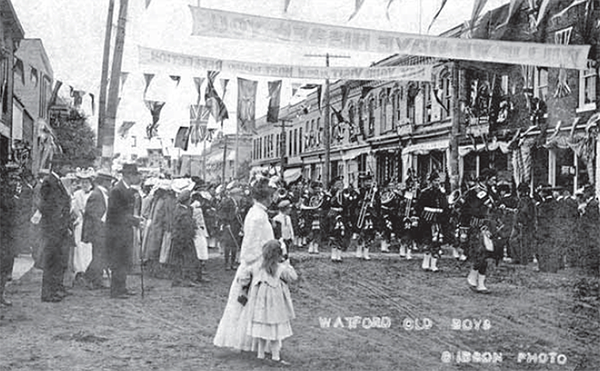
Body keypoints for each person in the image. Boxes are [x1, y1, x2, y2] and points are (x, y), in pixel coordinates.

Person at [213, 176, 275, 351]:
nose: (272, 199)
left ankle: (255, 343)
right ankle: (246, 342)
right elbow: (250, 247)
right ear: (266, 197)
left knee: (254, 307)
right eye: (270, 196)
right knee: (248, 305)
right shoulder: (257, 216)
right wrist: (261, 261)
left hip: (260, 262)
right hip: (256, 265)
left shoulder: (258, 213)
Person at [238, 239, 297, 365]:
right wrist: (287, 261)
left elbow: (243, 277)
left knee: (262, 327)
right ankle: (275, 356)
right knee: (275, 328)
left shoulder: (256, 267)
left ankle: (261, 354)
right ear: (278, 254)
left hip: (260, 305)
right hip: (276, 305)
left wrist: (246, 283)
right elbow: (293, 277)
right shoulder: (281, 268)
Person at [39, 160, 74, 303]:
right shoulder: (49, 182)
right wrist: (56, 222)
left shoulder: (58, 181)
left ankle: (55, 289)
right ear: (58, 166)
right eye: (67, 166)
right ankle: (48, 293)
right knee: (51, 261)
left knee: (58, 260)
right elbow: (46, 205)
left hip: (60, 228)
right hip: (53, 229)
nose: (68, 168)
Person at [106, 163, 142, 299]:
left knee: (124, 259)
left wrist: (134, 219)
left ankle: (122, 287)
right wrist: (134, 220)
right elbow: (117, 214)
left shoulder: (127, 190)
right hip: (116, 232)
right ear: (128, 175)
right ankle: (116, 290)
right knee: (118, 260)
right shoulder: (117, 190)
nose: (136, 177)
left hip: (124, 231)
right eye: (135, 174)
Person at [82, 169, 114, 289]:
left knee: (101, 255)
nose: (110, 183)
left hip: (103, 230)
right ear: (104, 181)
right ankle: (88, 277)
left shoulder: (104, 194)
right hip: (98, 231)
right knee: (99, 256)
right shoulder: (96, 195)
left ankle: (97, 280)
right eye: (109, 181)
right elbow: (93, 215)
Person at [169, 189, 200, 287]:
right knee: (187, 259)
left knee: (178, 259)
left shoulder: (179, 208)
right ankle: (186, 279)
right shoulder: (184, 212)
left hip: (177, 237)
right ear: (187, 199)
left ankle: (177, 279)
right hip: (183, 238)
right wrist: (194, 225)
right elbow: (187, 226)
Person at [191, 191, 210, 282]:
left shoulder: (192, 208)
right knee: (200, 253)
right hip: (199, 232)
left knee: (199, 253)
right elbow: (199, 222)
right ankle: (199, 275)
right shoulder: (197, 209)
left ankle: (198, 273)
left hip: (197, 232)